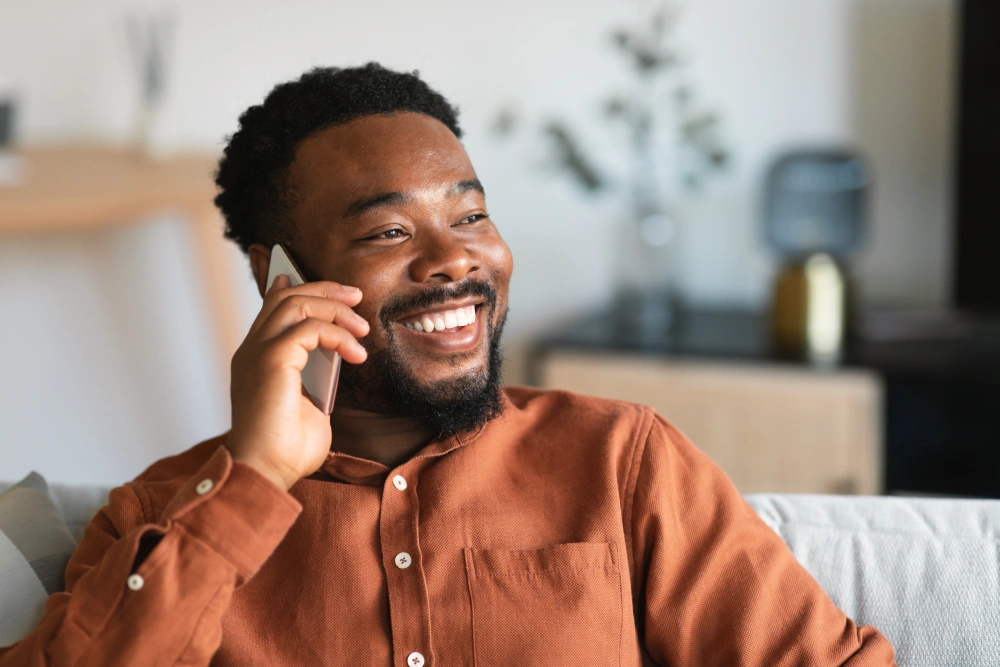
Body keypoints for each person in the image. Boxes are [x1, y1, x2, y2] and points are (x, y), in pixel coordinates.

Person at [0, 63, 896, 666]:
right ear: (282, 277)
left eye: (469, 216)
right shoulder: (163, 517)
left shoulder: (623, 460)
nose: (454, 261)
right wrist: (257, 476)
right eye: (389, 231)